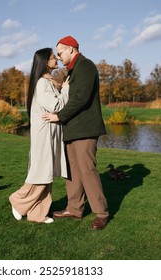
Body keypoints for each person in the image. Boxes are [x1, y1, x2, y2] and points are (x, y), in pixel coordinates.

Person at [42, 36, 109, 230]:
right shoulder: (71, 71)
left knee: (87, 171)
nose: (59, 57)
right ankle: (74, 208)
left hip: (84, 130)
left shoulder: (86, 66)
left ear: (71, 49)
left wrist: (58, 116)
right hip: (71, 130)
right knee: (71, 171)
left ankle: (101, 213)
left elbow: (80, 98)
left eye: (60, 53)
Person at [9, 47, 69, 224]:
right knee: (41, 173)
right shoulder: (42, 83)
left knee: (47, 174)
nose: (56, 59)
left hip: (51, 134)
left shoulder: (49, 81)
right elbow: (56, 106)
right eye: (53, 57)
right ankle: (18, 201)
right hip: (44, 136)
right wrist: (65, 90)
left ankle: (37, 215)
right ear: (45, 62)